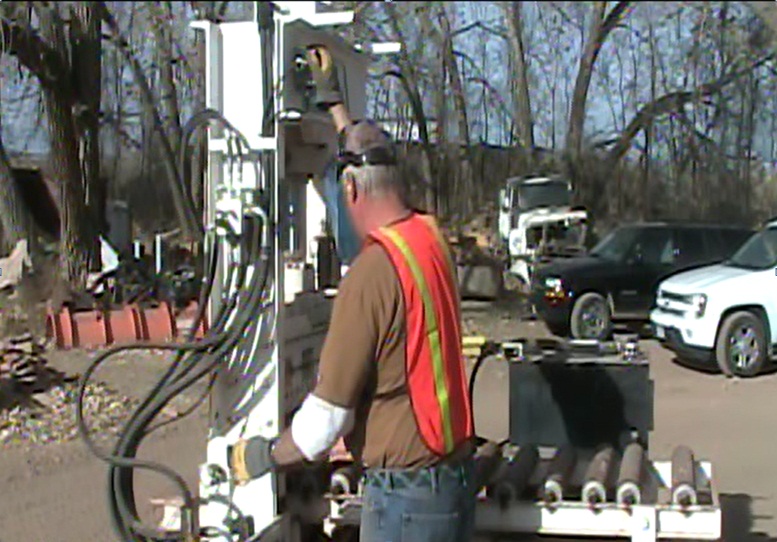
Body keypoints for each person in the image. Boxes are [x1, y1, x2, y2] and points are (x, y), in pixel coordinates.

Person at [228, 45, 477, 542]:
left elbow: (326, 419)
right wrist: (334, 104)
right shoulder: (430, 238)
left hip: (406, 499)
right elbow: (364, 154)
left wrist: (259, 457)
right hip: (448, 481)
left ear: (350, 193)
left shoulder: (370, 272)